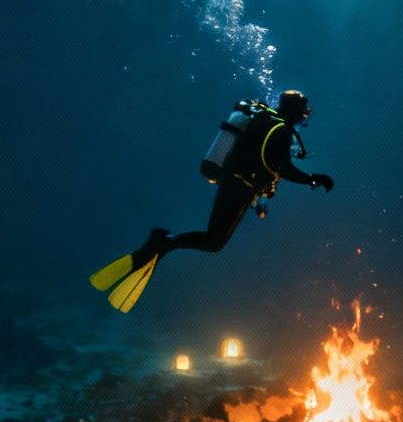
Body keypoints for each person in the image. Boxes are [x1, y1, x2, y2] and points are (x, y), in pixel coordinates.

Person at [90, 90, 333, 312]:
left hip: (234, 183)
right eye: (302, 111)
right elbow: (284, 168)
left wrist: (260, 199)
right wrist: (314, 179)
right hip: (239, 187)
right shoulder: (279, 131)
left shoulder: (265, 121)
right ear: (294, 111)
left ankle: (165, 243)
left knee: (213, 239)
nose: (304, 116)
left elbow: (265, 163)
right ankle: (163, 242)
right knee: (214, 241)